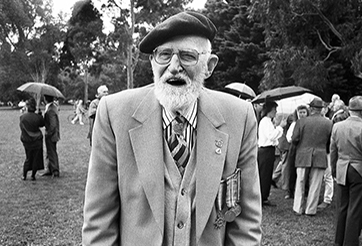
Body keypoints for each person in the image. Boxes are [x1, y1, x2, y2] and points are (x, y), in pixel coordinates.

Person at [82, 11, 262, 245]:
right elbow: (99, 225)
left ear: (209, 66)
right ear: (152, 62)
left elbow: (246, 225)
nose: (174, 67)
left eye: (187, 56)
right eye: (164, 55)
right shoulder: (114, 114)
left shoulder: (240, 117)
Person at [330, 96, 362, 246]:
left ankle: (339, 241)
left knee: (342, 207)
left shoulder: (337, 126)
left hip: (342, 168)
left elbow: (333, 151)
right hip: (359, 171)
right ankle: (350, 242)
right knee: (355, 208)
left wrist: (334, 171)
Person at [291, 98, 333, 216]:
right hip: (320, 154)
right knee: (316, 184)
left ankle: (298, 207)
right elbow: (331, 142)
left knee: (300, 182)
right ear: (321, 110)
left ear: (310, 109)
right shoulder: (329, 123)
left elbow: (294, 138)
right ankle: (310, 209)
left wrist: (299, 146)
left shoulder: (301, 122)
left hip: (303, 154)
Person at [257, 101, 287, 207]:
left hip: (268, 150)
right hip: (265, 150)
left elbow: (272, 138)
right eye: (275, 110)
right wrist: (280, 127)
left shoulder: (269, 121)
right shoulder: (265, 121)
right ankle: (261, 198)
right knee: (264, 174)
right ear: (269, 110)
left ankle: (264, 196)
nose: (276, 112)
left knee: (267, 174)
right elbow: (271, 136)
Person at [284, 105, 310, 199]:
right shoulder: (294, 124)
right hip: (294, 148)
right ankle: (290, 191)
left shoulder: (308, 123)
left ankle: (305, 190)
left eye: (304, 112)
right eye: (300, 112)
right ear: (297, 113)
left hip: (305, 148)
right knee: (291, 169)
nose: (302, 114)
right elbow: (288, 137)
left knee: (305, 169)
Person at [19, 98, 45, 180]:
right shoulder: (38, 117)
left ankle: (24, 175)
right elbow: (42, 124)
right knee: (36, 158)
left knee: (28, 157)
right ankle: (33, 175)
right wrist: (40, 115)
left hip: (27, 141)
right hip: (37, 140)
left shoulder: (22, 117)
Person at [41, 95, 60, 178]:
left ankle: (55, 170)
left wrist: (49, 133)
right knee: (49, 152)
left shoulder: (51, 109)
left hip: (51, 135)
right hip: (52, 134)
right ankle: (50, 169)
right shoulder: (51, 107)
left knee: (51, 152)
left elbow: (53, 124)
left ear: (45, 99)